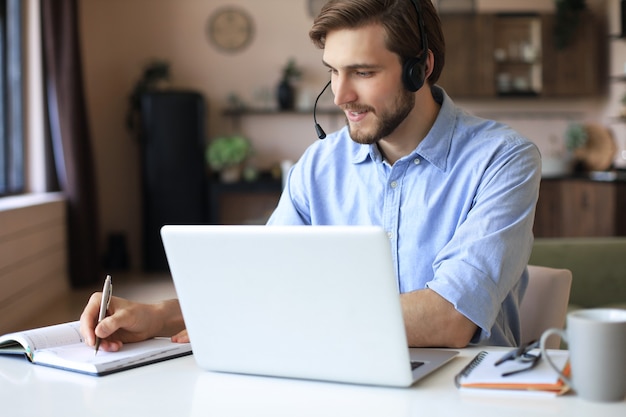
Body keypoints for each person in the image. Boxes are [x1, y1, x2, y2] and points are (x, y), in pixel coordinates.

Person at [80, 0, 540, 351]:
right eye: (333, 72)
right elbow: (268, 282)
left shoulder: (503, 160)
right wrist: (161, 316)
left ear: (422, 67)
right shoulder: (319, 165)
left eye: (362, 72)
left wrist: (274, 319)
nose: (341, 95)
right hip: (336, 377)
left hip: (462, 394)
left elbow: (448, 319)